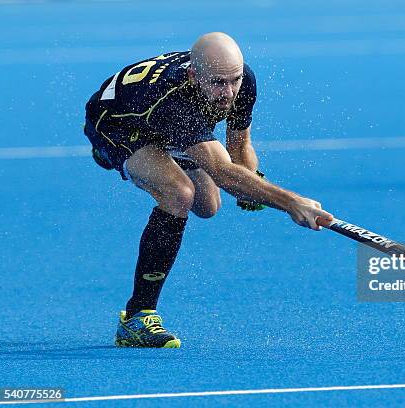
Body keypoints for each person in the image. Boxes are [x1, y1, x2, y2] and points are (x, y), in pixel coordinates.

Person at [84, 32, 332, 348]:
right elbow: (225, 174)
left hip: (166, 122)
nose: (228, 92)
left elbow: (239, 147)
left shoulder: (241, 80)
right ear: (193, 75)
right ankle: (137, 317)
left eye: (234, 80)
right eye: (218, 83)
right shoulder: (176, 102)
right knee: (179, 193)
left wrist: (253, 183)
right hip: (117, 124)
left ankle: (172, 149)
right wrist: (291, 202)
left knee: (208, 205)